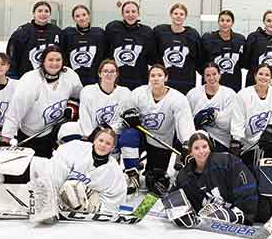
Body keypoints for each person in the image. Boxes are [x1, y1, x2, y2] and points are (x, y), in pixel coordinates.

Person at [121, 64, 195, 196]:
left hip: (161, 141)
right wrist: (129, 117)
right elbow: (125, 112)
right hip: (142, 135)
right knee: (128, 136)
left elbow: (184, 123)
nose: (156, 78)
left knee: (154, 180)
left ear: (166, 78)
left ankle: (152, 170)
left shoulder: (177, 98)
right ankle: (133, 176)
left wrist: (186, 143)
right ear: (149, 78)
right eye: (153, 75)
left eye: (159, 75)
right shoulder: (139, 93)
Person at [1, 45, 82, 160]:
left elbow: (80, 96)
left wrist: (73, 106)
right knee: (33, 166)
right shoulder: (30, 80)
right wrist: (6, 137)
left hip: (56, 128)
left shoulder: (69, 75)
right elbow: (16, 111)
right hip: (32, 134)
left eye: (58, 60)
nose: (54, 63)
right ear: (43, 61)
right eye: (50, 60)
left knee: (71, 130)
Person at [30, 126, 128, 222]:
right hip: (63, 192)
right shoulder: (77, 148)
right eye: (101, 140)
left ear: (112, 148)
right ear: (94, 141)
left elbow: (117, 194)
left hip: (93, 200)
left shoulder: (114, 170)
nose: (103, 145)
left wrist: (104, 209)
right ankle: (46, 204)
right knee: (41, 167)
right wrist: (51, 197)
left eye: (108, 143)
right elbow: (58, 167)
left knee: (71, 187)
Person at [162, 132, 259, 227]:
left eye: (204, 147)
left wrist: (244, 214)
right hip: (208, 219)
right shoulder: (184, 175)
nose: (201, 151)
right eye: (196, 148)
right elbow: (172, 197)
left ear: (210, 148)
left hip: (241, 212)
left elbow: (246, 185)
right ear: (191, 152)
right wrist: (178, 212)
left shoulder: (226, 161)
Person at [230, 64, 272, 165]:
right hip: (249, 145)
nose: (263, 77)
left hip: (271, 140)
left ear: (271, 78)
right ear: (255, 76)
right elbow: (238, 120)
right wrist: (236, 140)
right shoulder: (243, 95)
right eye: (260, 74)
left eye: (267, 75)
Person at [105, 0, 156, 90]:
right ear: (122, 14)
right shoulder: (112, 28)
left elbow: (151, 58)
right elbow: (106, 53)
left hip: (139, 80)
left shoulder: (147, 32)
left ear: (138, 13)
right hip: (117, 81)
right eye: (127, 12)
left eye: (133, 11)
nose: (130, 14)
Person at [186, 63, 238, 152]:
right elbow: (186, 120)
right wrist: (195, 121)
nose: (211, 78)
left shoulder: (230, 94)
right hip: (198, 138)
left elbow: (230, 124)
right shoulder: (193, 94)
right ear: (204, 77)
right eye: (208, 75)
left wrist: (215, 115)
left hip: (221, 140)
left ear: (219, 75)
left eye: (214, 74)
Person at [6, 1, 64, 79]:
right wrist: (13, 77)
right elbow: (12, 56)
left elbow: (62, 54)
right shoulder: (22, 31)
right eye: (40, 11)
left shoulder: (56, 31)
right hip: (26, 78)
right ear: (33, 13)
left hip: (51, 78)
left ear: (50, 14)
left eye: (46, 11)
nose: (43, 14)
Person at [154, 2, 202, 94]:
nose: (178, 16)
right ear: (171, 15)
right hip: (165, 81)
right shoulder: (160, 32)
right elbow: (154, 55)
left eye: (181, 14)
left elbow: (198, 58)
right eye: (176, 13)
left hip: (186, 81)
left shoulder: (192, 35)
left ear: (185, 16)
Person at [77, 59, 132, 138]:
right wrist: (90, 135)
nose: (109, 74)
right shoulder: (87, 91)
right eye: (105, 71)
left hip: (114, 135)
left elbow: (122, 121)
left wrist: (109, 130)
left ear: (117, 74)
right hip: (90, 135)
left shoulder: (125, 92)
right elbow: (84, 117)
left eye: (112, 71)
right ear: (99, 74)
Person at [240, 10, 272, 87]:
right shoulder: (253, 37)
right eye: (268, 21)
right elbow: (246, 63)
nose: (271, 24)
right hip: (254, 82)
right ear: (263, 21)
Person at [200, 9, 246, 94]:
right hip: (211, 84)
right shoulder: (207, 39)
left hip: (233, 84)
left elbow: (243, 62)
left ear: (232, 23)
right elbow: (201, 62)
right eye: (222, 20)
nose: (225, 23)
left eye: (228, 21)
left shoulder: (240, 39)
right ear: (218, 22)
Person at [62, 4, 107, 88]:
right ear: (73, 18)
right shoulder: (67, 33)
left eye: (84, 14)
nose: (81, 18)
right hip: (73, 80)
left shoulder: (99, 33)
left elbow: (103, 55)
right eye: (77, 16)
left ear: (89, 15)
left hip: (93, 79)